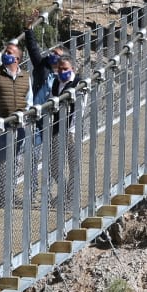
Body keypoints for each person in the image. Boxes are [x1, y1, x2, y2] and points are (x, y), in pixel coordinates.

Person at [0, 40, 32, 172]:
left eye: (9, 52)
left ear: (17, 59)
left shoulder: (26, 77)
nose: (4, 54)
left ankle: (11, 191)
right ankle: (4, 191)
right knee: (1, 163)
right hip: (1, 126)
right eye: (5, 52)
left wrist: (27, 118)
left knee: (16, 161)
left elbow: (29, 101)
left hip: (21, 125)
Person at [47, 55, 83, 229]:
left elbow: (80, 106)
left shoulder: (79, 83)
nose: (61, 72)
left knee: (73, 163)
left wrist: (74, 130)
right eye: (59, 69)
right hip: (56, 130)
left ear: (72, 69)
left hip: (72, 131)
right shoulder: (56, 83)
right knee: (54, 165)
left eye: (65, 69)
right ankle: (64, 193)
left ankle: (70, 198)